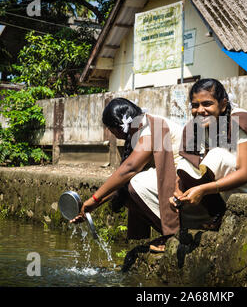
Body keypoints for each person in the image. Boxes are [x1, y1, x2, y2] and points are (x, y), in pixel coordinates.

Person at [70, 97, 184, 252]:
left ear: (118, 127)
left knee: (136, 184)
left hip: (185, 182)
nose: (112, 134)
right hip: (174, 185)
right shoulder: (139, 131)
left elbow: (130, 168)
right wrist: (91, 207)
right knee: (125, 194)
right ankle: (169, 234)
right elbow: (121, 183)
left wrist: (94, 199)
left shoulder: (151, 127)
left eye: (111, 130)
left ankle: (175, 234)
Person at [169, 78, 247, 230]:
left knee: (216, 156)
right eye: (195, 105)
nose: (200, 110)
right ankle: (217, 213)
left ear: (223, 105)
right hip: (226, 177)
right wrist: (178, 189)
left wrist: (202, 190)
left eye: (207, 104)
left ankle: (221, 213)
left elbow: (244, 173)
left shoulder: (239, 119)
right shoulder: (194, 127)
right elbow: (188, 165)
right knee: (184, 164)